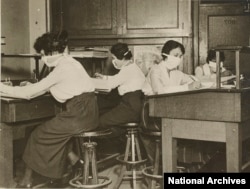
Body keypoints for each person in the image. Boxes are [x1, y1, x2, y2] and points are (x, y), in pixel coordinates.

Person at [0, 30, 99, 187]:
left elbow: (27, 95)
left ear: (49, 53)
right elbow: (55, 85)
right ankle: (75, 162)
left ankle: (27, 181)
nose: (42, 58)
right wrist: (35, 86)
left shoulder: (61, 69)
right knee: (56, 134)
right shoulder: (71, 62)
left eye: (42, 55)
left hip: (78, 114)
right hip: (88, 112)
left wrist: (3, 88)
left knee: (37, 135)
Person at [141, 40, 217, 171]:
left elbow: (193, 80)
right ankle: (181, 165)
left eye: (181, 56)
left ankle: (189, 165)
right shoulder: (155, 70)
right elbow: (159, 91)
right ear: (165, 54)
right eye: (176, 55)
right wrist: (186, 86)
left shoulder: (176, 73)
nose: (179, 59)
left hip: (168, 111)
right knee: (186, 127)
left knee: (194, 126)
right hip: (151, 112)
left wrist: (203, 82)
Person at [94, 42, 145, 136]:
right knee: (106, 118)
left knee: (100, 121)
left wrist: (91, 83)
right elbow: (118, 78)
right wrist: (104, 78)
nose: (113, 61)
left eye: (114, 58)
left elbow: (109, 85)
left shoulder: (127, 70)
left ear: (121, 58)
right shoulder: (132, 67)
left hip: (130, 108)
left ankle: (114, 148)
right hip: (135, 106)